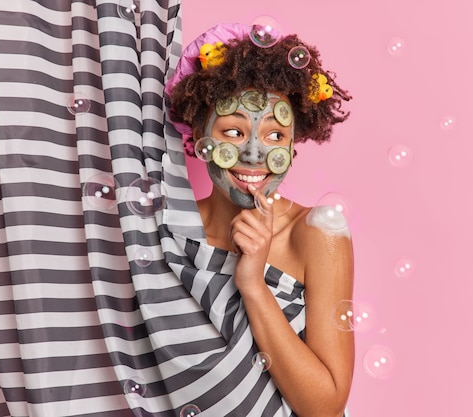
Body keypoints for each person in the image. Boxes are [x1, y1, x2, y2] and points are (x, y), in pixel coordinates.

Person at [164, 22, 355, 417]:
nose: (254, 154)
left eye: (274, 136)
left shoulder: (318, 233)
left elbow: (325, 406)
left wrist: (252, 284)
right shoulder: (168, 227)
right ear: (199, 134)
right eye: (233, 131)